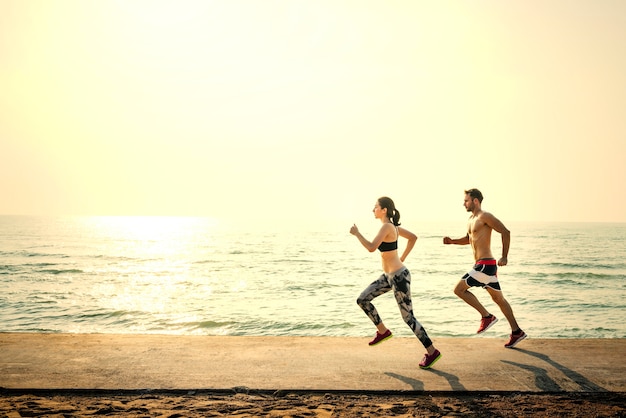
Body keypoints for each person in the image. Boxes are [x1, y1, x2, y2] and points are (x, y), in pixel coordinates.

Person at [350, 196, 442, 369]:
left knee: (408, 318)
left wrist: (357, 234)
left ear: (384, 209)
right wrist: (403, 257)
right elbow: (413, 237)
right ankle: (383, 331)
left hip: (399, 277)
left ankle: (432, 351)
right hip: (388, 276)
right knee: (362, 299)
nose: (373, 209)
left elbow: (371, 247)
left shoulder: (387, 226)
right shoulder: (393, 227)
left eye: (375, 206)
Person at [443, 188, 526, 348]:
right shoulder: (470, 219)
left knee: (458, 290)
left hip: (485, 265)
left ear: (475, 201)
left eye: (466, 200)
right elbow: (469, 239)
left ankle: (486, 316)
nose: (463, 203)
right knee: (499, 299)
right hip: (483, 266)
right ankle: (517, 332)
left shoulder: (485, 216)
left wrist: (504, 256)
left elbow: (505, 232)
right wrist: (452, 241)